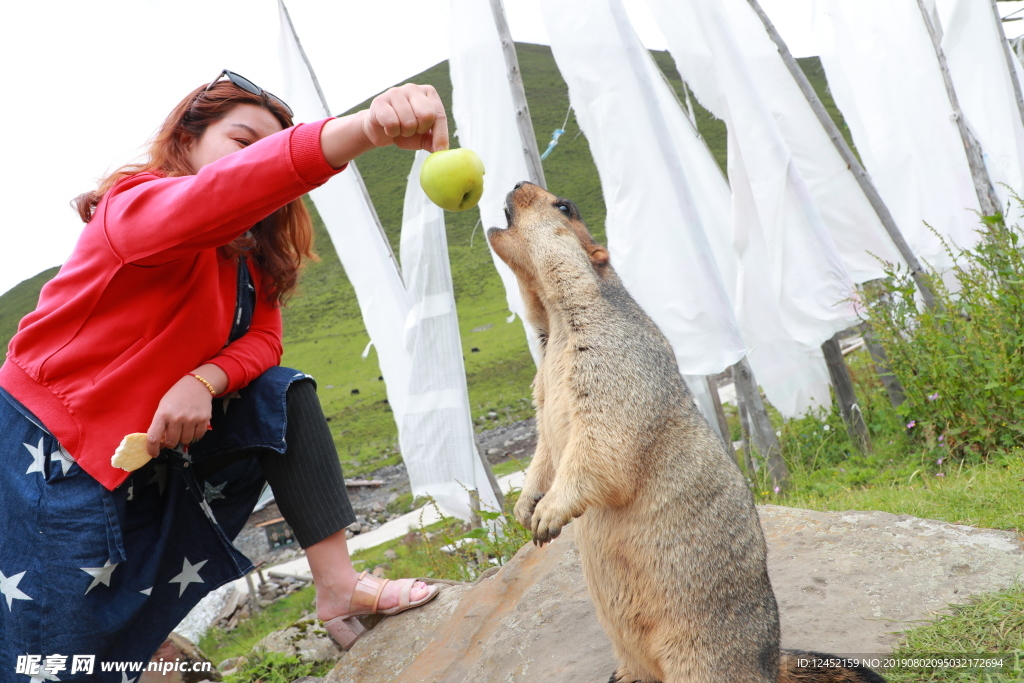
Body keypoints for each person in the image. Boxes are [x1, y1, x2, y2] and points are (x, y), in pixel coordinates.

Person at [0, 70, 447, 679]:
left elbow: (265, 340)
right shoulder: (133, 207)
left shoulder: (247, 257)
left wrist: (203, 380)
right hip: (53, 448)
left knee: (278, 395)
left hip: (144, 449)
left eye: (271, 147)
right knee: (47, 655)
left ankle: (338, 586)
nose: (258, 158)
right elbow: (211, 199)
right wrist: (366, 128)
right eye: (244, 142)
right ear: (186, 142)